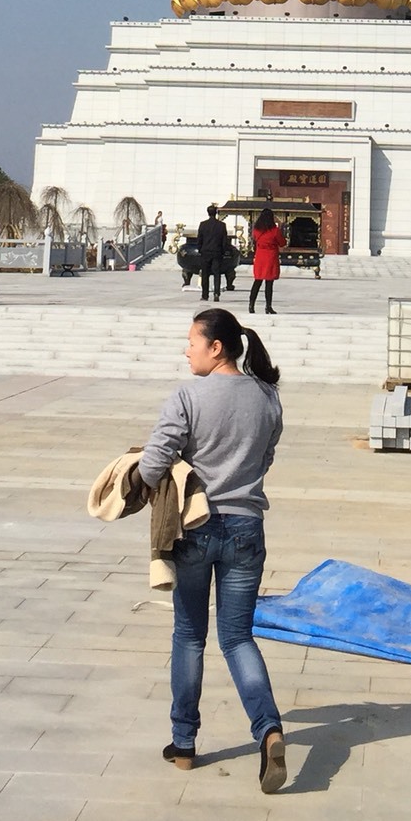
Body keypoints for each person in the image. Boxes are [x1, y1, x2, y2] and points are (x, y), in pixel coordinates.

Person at [139, 305, 286, 792]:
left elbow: (155, 461)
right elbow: (265, 458)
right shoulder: (267, 397)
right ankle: (268, 730)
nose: (186, 350)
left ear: (215, 347)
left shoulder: (187, 397)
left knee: (189, 635)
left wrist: (135, 476)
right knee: (239, 638)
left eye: (192, 342)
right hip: (247, 527)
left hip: (196, 527)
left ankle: (184, 744)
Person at [248, 204, 283, 316]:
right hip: (271, 257)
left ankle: (251, 305)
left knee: (257, 281)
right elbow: (282, 242)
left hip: (260, 257)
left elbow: (254, 240)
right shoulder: (275, 230)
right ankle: (268, 306)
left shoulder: (257, 230)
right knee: (269, 283)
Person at [194, 204, 230, 303]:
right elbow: (224, 240)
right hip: (217, 252)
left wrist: (200, 249)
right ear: (216, 212)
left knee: (205, 274)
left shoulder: (203, 224)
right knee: (216, 274)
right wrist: (223, 251)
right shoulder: (222, 225)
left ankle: (205, 295)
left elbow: (199, 239)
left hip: (205, 252)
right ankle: (216, 293)